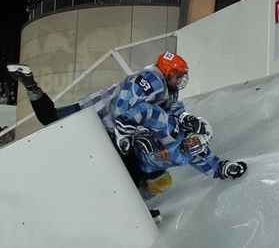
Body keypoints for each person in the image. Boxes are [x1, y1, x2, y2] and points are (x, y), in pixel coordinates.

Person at [7, 52, 247, 201]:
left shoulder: (173, 103)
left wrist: (224, 168)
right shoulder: (151, 80)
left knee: (157, 180)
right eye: (177, 75)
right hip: (100, 118)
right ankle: (127, 206)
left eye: (197, 143)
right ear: (168, 72)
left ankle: (31, 85)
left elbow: (202, 153)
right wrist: (125, 132)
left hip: (109, 121)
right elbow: (129, 108)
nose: (179, 80)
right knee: (122, 164)